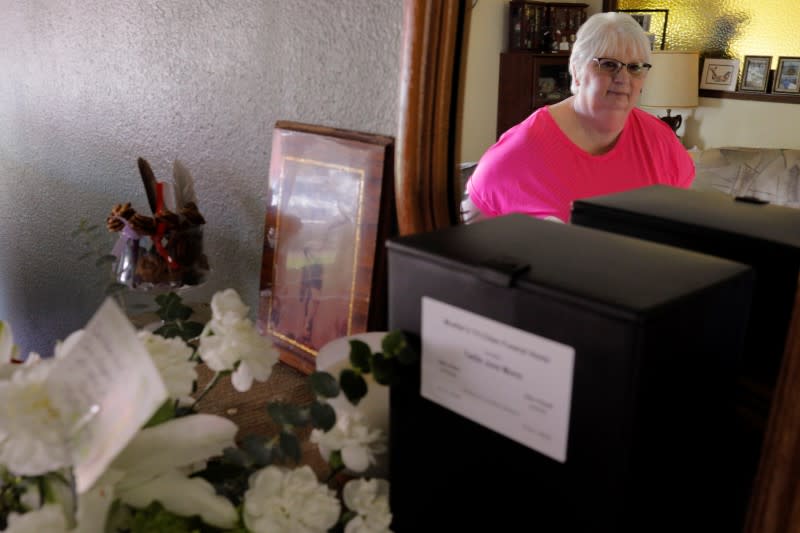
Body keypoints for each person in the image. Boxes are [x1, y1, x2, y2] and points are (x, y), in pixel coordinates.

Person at [464, 12, 695, 223]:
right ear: (576, 70)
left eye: (635, 67)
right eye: (608, 65)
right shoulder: (519, 151)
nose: (623, 78)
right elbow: (470, 243)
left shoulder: (662, 143)